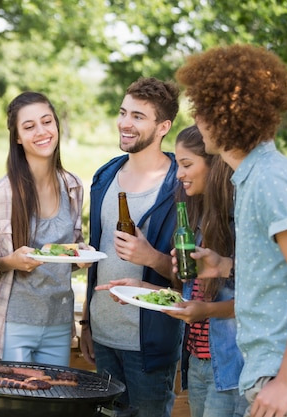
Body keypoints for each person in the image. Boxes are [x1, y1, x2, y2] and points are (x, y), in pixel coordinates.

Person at [176, 44, 287, 417]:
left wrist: (286, 380)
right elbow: (278, 268)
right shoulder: (250, 178)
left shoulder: (272, 180)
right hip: (271, 370)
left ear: (226, 114)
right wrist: (221, 266)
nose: (198, 119)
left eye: (203, 108)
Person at [97, 125, 248, 417]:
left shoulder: (236, 223)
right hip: (199, 361)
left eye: (187, 164)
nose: (178, 174)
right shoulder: (198, 217)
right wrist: (145, 290)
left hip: (228, 365)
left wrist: (202, 311)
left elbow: (253, 302)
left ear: (215, 164)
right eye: (178, 164)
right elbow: (191, 296)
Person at [80, 77, 183, 417]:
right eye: (123, 112)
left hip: (150, 346)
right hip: (104, 336)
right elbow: (96, 256)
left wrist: (151, 257)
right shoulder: (105, 176)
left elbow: (195, 278)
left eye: (138, 116)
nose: (125, 123)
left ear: (163, 126)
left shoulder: (180, 185)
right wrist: (87, 324)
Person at [0, 91, 87, 367]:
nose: (42, 131)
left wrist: (82, 255)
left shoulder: (72, 186)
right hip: (14, 323)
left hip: (59, 320)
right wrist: (9, 262)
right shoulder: (1, 194)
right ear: (18, 138)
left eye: (47, 122)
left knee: (53, 403)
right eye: (29, 126)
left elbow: (71, 252)